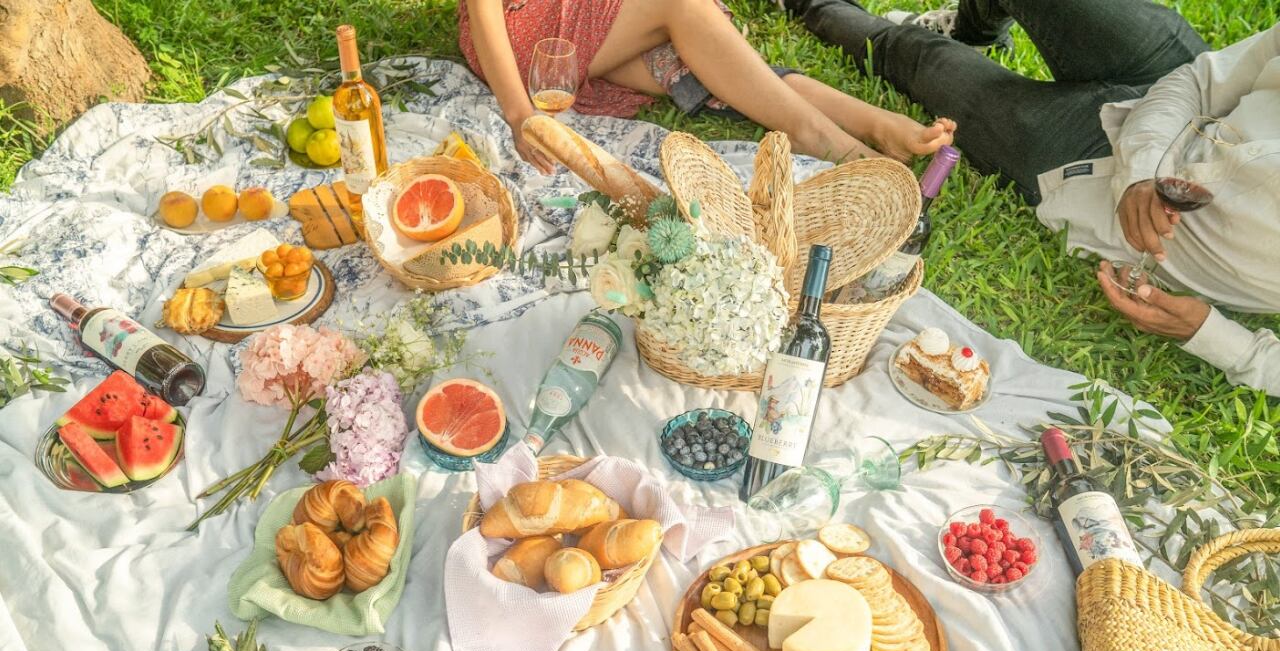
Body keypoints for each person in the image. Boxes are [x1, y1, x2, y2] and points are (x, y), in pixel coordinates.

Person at [785, 1, 1280, 395]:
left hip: (1091, 175)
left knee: (919, 57)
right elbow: (1199, 81)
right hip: (1172, 90)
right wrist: (1144, 171)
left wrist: (1218, 338)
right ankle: (972, 29)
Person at [457, 0, 957, 173]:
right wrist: (520, 114)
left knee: (718, 59)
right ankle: (824, 138)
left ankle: (871, 123)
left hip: (583, 12)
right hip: (520, 30)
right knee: (682, 10)